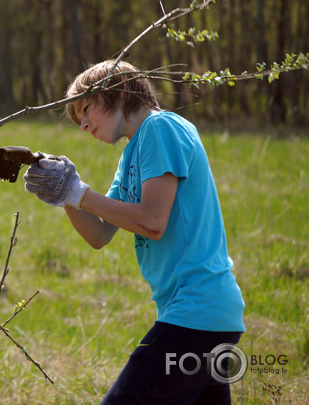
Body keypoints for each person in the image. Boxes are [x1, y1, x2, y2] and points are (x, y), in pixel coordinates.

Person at [23, 60, 245, 404]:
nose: (82, 125)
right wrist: (64, 195)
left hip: (196, 313)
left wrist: (77, 192)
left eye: (85, 109)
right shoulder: (132, 153)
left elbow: (153, 221)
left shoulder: (161, 129)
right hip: (205, 317)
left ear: (120, 92)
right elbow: (100, 235)